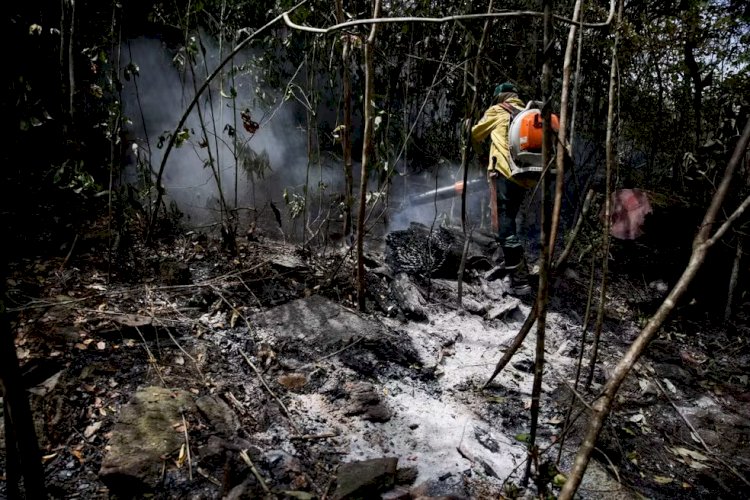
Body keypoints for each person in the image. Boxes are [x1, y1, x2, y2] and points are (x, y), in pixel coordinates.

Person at [471, 82, 535, 296]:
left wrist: (476, 144)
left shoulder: (497, 110)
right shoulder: (528, 113)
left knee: (505, 229)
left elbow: (475, 134)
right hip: (524, 178)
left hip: (504, 175)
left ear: (500, 98)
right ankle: (506, 265)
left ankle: (520, 282)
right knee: (508, 223)